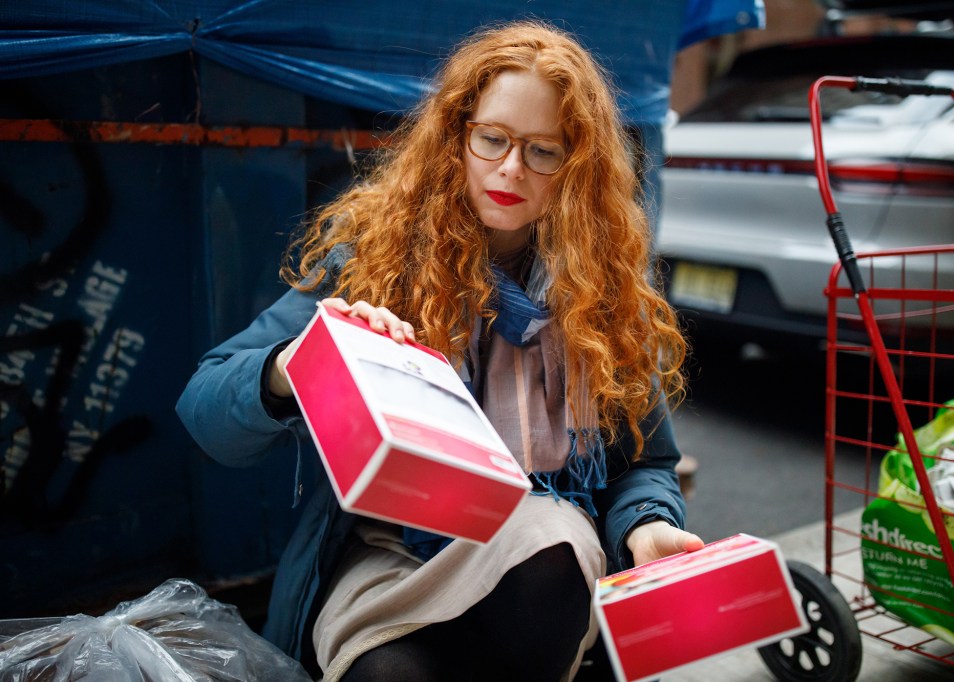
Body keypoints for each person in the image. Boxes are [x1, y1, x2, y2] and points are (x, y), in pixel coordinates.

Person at [176, 20, 703, 681]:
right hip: (391, 557)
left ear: (577, 167)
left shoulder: (601, 300)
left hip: (540, 576)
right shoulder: (376, 267)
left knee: (555, 540)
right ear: (458, 138)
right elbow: (204, 410)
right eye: (493, 139)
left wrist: (644, 527)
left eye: (543, 151)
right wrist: (297, 362)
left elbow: (645, 465)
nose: (511, 168)